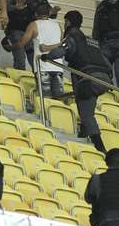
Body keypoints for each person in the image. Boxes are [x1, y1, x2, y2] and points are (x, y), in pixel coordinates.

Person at [43, 18, 113, 152]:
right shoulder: (92, 41)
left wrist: (47, 56)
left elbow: (58, 52)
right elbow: (106, 60)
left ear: (68, 22)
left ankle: (100, 148)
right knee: (88, 109)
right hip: (104, 79)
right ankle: (83, 133)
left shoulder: (73, 38)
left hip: (88, 79)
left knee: (86, 115)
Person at [4, 0, 58, 69]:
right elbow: (2, 6)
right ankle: (17, 81)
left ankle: (38, 81)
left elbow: (48, 14)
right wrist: (15, 7)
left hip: (32, 32)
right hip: (15, 30)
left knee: (35, 62)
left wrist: (53, 12)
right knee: (20, 60)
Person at [9, 3, 64, 97]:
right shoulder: (58, 25)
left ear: (35, 14)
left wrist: (11, 46)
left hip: (42, 67)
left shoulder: (34, 25)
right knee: (59, 98)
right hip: (58, 66)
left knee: (46, 98)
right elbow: (61, 42)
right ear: (49, 12)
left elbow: (22, 42)